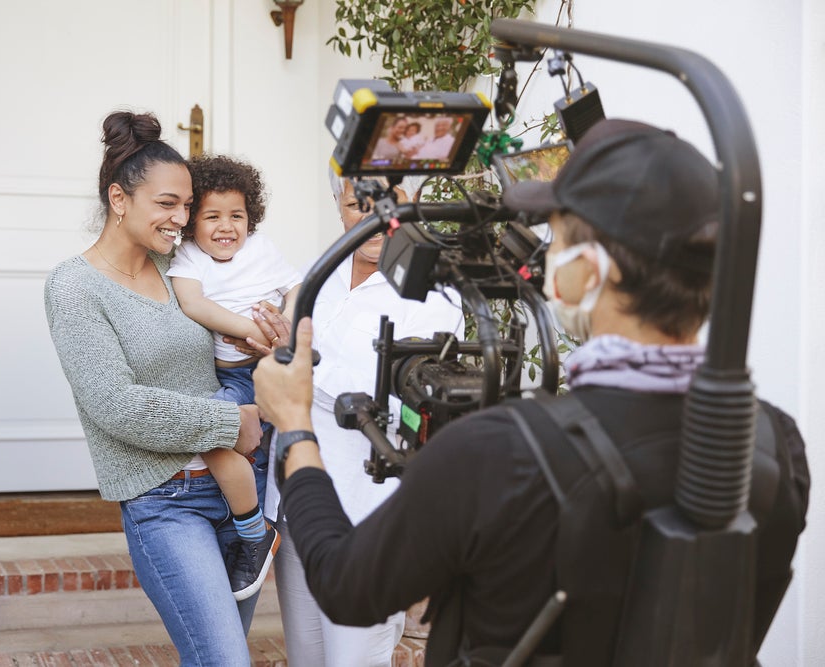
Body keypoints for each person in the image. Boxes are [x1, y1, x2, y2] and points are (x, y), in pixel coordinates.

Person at [251, 119, 810, 666]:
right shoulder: (774, 441)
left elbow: (348, 586)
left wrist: (296, 425)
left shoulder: (496, 451)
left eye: (556, 241)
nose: (541, 263)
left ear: (587, 273)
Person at [44, 111, 271, 667]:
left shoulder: (181, 267)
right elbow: (115, 405)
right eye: (167, 204)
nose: (182, 218)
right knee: (225, 660)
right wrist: (230, 423)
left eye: (187, 205)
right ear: (120, 200)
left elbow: (243, 309)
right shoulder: (73, 286)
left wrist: (268, 328)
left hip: (239, 492)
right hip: (167, 504)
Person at [257, 173, 464, 667]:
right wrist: (274, 347)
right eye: (356, 205)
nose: (372, 218)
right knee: (305, 654)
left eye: (388, 204)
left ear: (413, 202)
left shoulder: (437, 296)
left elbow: (399, 399)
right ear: (336, 204)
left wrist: (298, 365)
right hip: (297, 494)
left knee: (355, 659)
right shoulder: (317, 271)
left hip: (368, 510)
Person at [167, 154, 301, 600]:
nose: (227, 227)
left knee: (241, 447)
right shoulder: (188, 256)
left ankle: (252, 537)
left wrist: (284, 328)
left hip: (264, 370)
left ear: (252, 218)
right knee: (229, 439)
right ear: (191, 223)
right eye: (212, 216)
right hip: (232, 372)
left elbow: (298, 287)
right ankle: (250, 535)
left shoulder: (261, 250)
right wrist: (250, 329)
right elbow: (193, 304)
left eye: (237, 216)